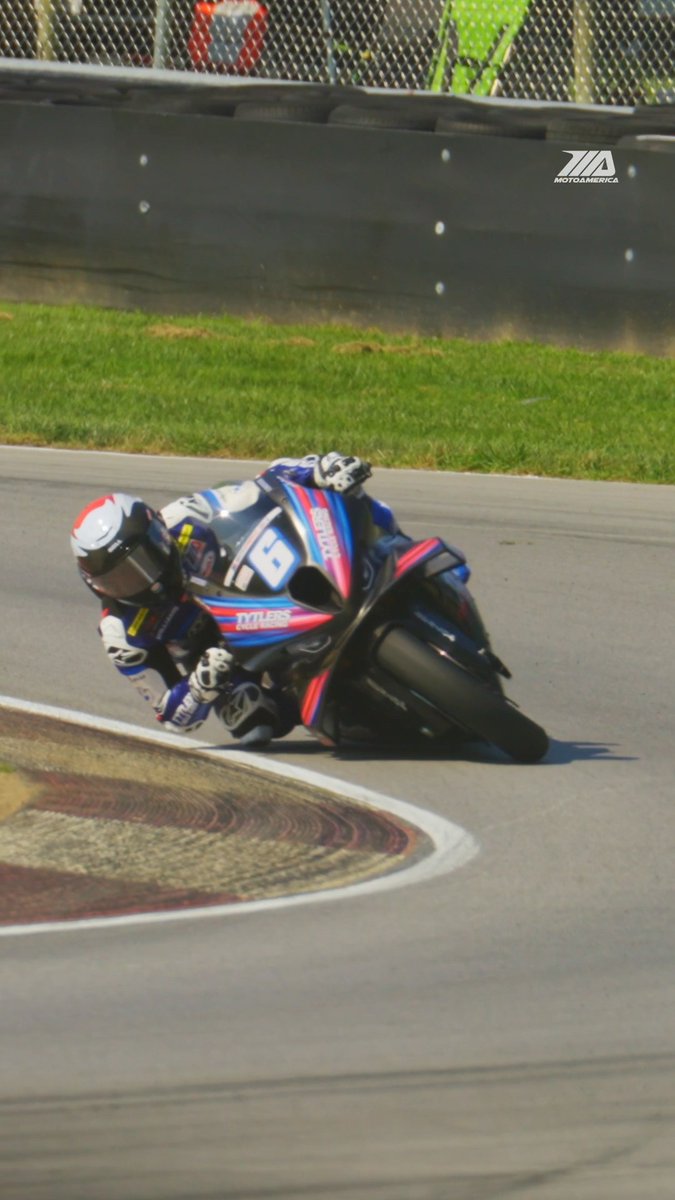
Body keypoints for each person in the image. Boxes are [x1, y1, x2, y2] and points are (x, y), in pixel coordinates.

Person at [71, 453, 396, 746]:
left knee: (344, 496)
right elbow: (170, 715)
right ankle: (337, 709)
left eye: (145, 559)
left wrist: (318, 469)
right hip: (232, 656)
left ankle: (387, 546)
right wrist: (198, 687)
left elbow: (263, 485)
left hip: (262, 588)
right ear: (97, 586)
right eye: (120, 579)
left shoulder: (185, 516)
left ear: (158, 533)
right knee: (250, 721)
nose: (145, 580)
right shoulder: (120, 634)